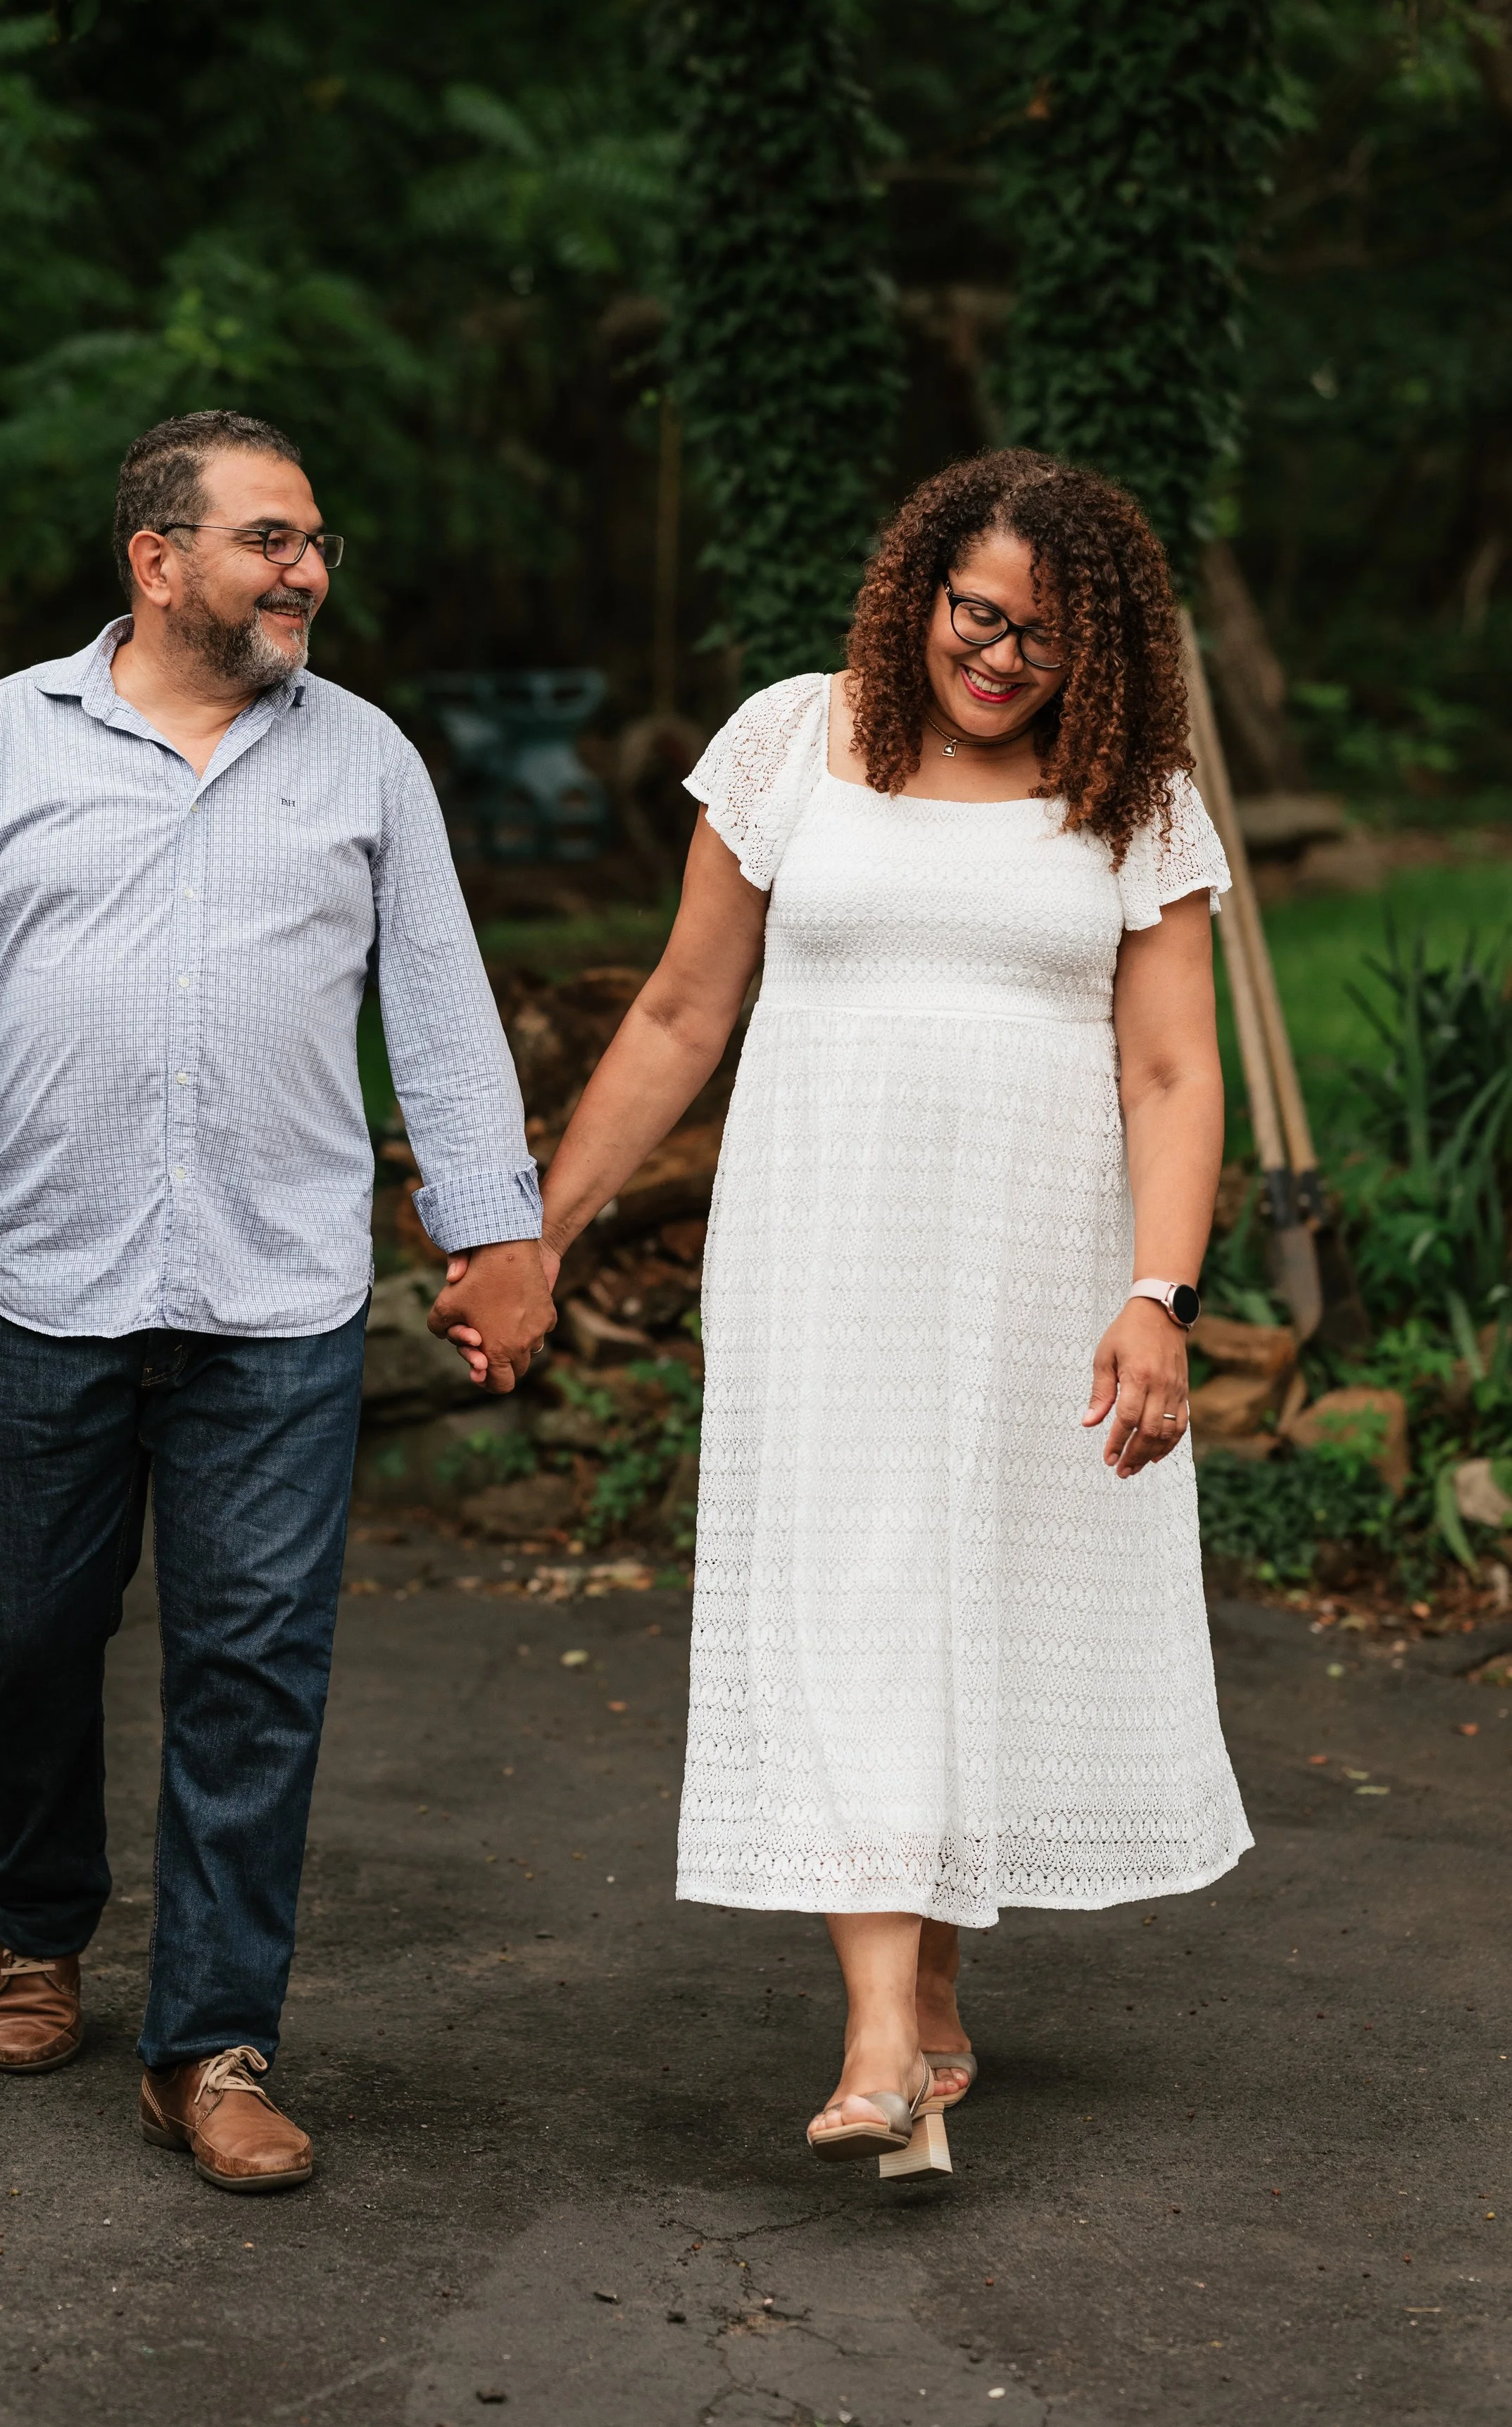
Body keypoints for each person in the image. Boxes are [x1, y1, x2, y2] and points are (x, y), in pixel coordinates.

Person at [440, 448, 1251, 2178]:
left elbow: (1176, 1067)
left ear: (1094, 650)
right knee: (851, 1592)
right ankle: (879, 2029)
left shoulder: (1129, 792)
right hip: (823, 1249)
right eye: (978, 613)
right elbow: (674, 1015)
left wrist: (1156, 1297)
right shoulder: (788, 740)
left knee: (973, 1603)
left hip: (1039, 1262)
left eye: (1044, 635)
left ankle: (931, 1989)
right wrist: (541, 1234)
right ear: (915, 589)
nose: (1001, 657)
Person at [0, 408, 553, 2193]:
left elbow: (445, 1017)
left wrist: (497, 1230)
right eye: (269, 538)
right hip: (37, 1280)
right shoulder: (0, 742)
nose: (306, 567)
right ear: (157, 562)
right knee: (16, 1633)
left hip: (276, 1299)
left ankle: (211, 2048)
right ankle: (39, 1913)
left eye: (313, 539)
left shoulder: (365, 760)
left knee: (254, 1674)